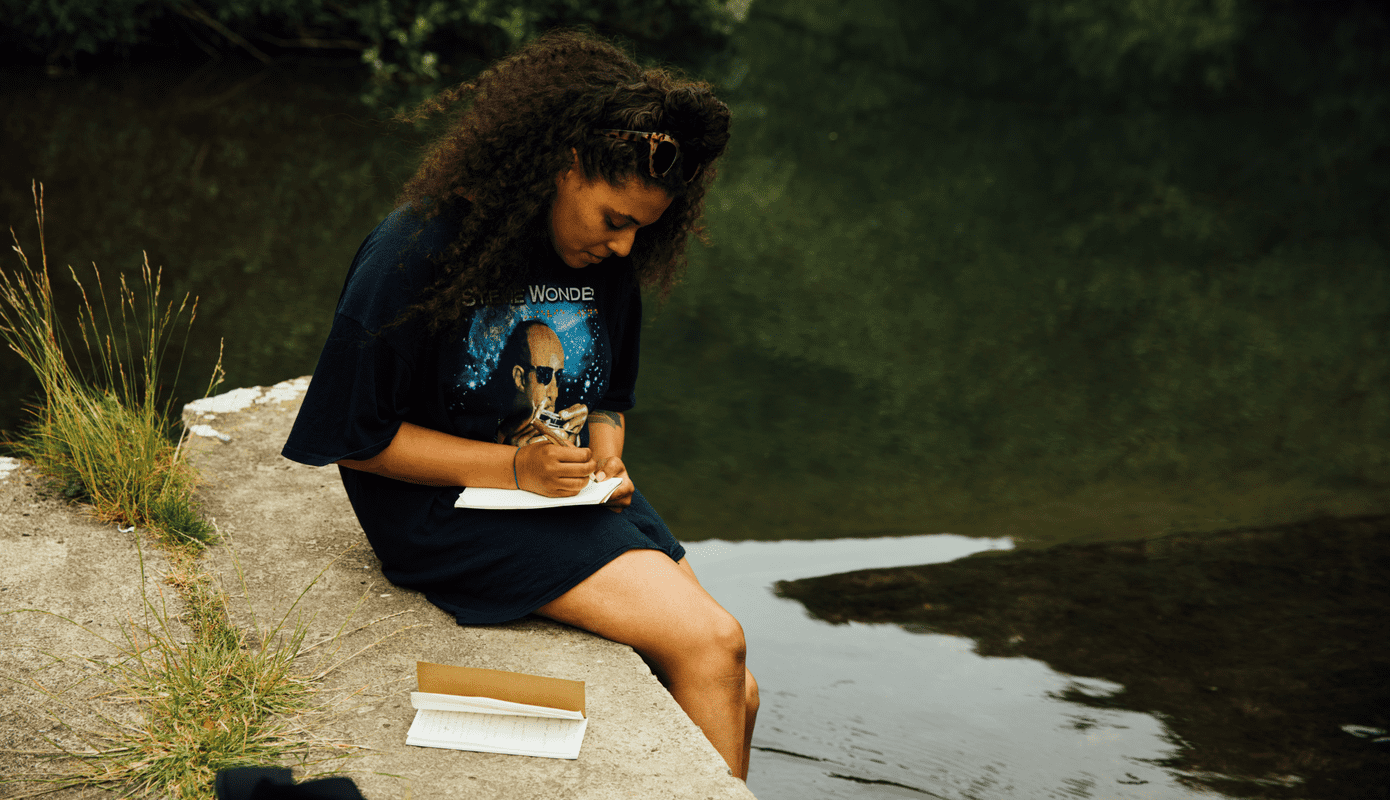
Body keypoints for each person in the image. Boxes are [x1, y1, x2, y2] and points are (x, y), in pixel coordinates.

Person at [280, 30, 757, 779]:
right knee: (712, 645)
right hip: (442, 512)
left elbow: (609, 400)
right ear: (564, 164)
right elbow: (354, 437)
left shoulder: (602, 261)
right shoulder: (416, 249)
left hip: (556, 491)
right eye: (616, 219)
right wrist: (515, 469)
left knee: (735, 685)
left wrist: (606, 455)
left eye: (644, 228)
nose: (626, 247)